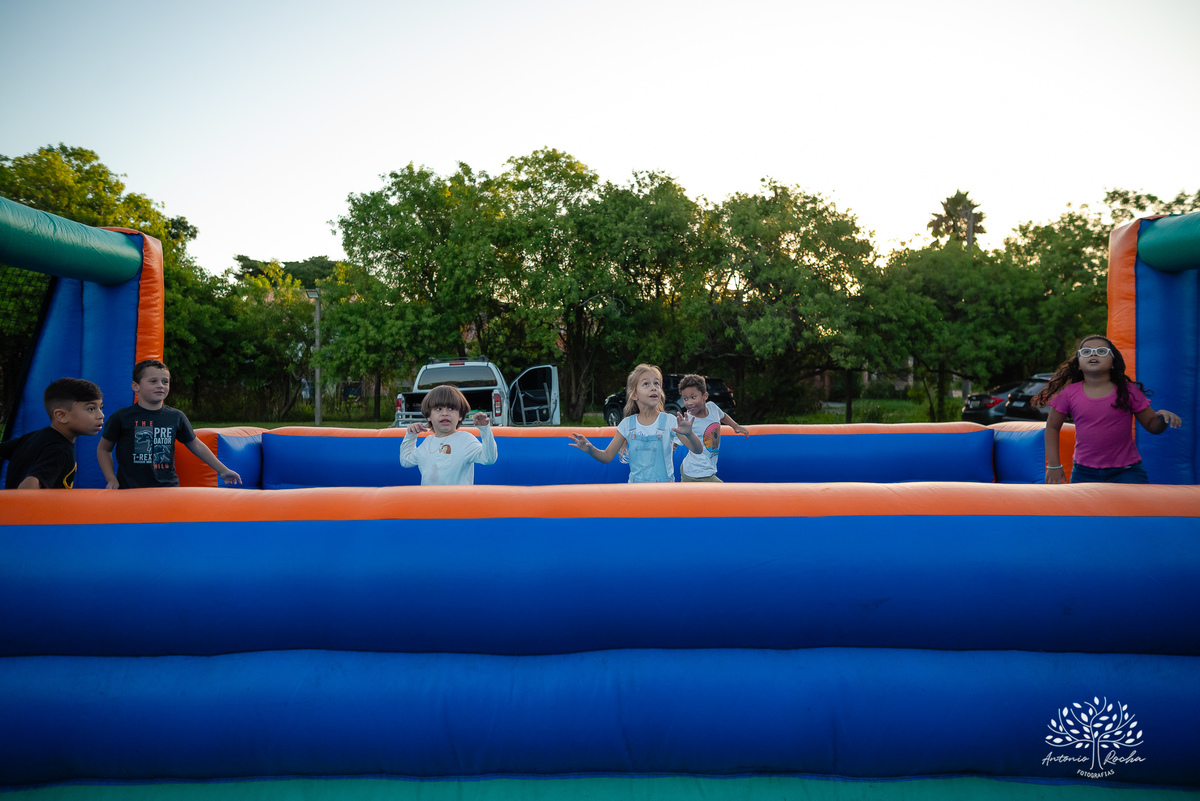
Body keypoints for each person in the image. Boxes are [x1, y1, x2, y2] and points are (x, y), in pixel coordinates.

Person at [1034, 335, 1182, 484]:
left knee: (1134, 508)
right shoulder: (1069, 393)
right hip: (1084, 472)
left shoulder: (1127, 391)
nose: (1093, 354)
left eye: (1102, 351)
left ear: (1113, 363)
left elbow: (1152, 425)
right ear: (1078, 364)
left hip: (1127, 471)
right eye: (1086, 352)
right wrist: (1054, 465)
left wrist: (1162, 418)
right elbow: (1052, 427)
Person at [97, 359, 242, 488]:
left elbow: (196, 445)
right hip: (131, 488)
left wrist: (223, 470)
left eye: (165, 381)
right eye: (153, 381)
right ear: (136, 386)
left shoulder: (175, 416)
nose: (160, 385)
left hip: (168, 488)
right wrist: (111, 479)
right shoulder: (122, 417)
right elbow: (104, 449)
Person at [569, 364, 703, 483]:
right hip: (636, 494)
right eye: (646, 384)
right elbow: (607, 456)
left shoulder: (669, 421)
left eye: (656, 384)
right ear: (634, 395)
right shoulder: (627, 424)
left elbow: (697, 450)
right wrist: (591, 449)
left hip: (664, 493)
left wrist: (690, 434)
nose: (653, 388)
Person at [1, 378, 104, 489]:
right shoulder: (59, 450)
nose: (101, 415)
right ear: (61, 416)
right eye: (91, 409)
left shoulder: (33, 437)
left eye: (101, 407)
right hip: (30, 506)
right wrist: (21, 503)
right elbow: (27, 488)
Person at [400, 385, 497, 485]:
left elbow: (489, 458)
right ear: (428, 416)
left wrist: (485, 430)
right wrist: (411, 435)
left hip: (458, 500)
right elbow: (406, 460)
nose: (445, 413)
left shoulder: (465, 439)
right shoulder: (427, 442)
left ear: (460, 416)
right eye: (438, 409)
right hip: (429, 500)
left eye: (451, 408)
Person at [677, 374, 750, 483]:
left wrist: (735, 426)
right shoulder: (689, 421)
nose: (689, 403)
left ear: (705, 396)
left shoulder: (712, 407)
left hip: (704, 468)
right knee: (725, 494)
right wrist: (674, 443)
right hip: (697, 471)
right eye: (685, 399)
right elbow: (680, 436)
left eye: (693, 397)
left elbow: (723, 416)